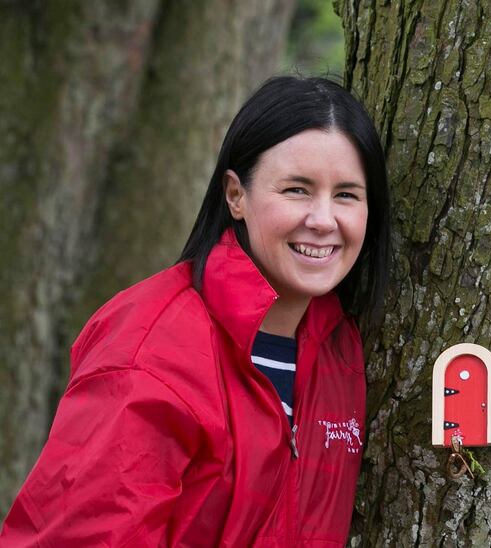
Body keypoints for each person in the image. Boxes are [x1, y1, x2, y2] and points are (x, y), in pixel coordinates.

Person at [0, 76, 392, 547]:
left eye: (346, 194)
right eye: (296, 190)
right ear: (235, 195)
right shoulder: (150, 348)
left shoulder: (343, 350)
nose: (324, 219)